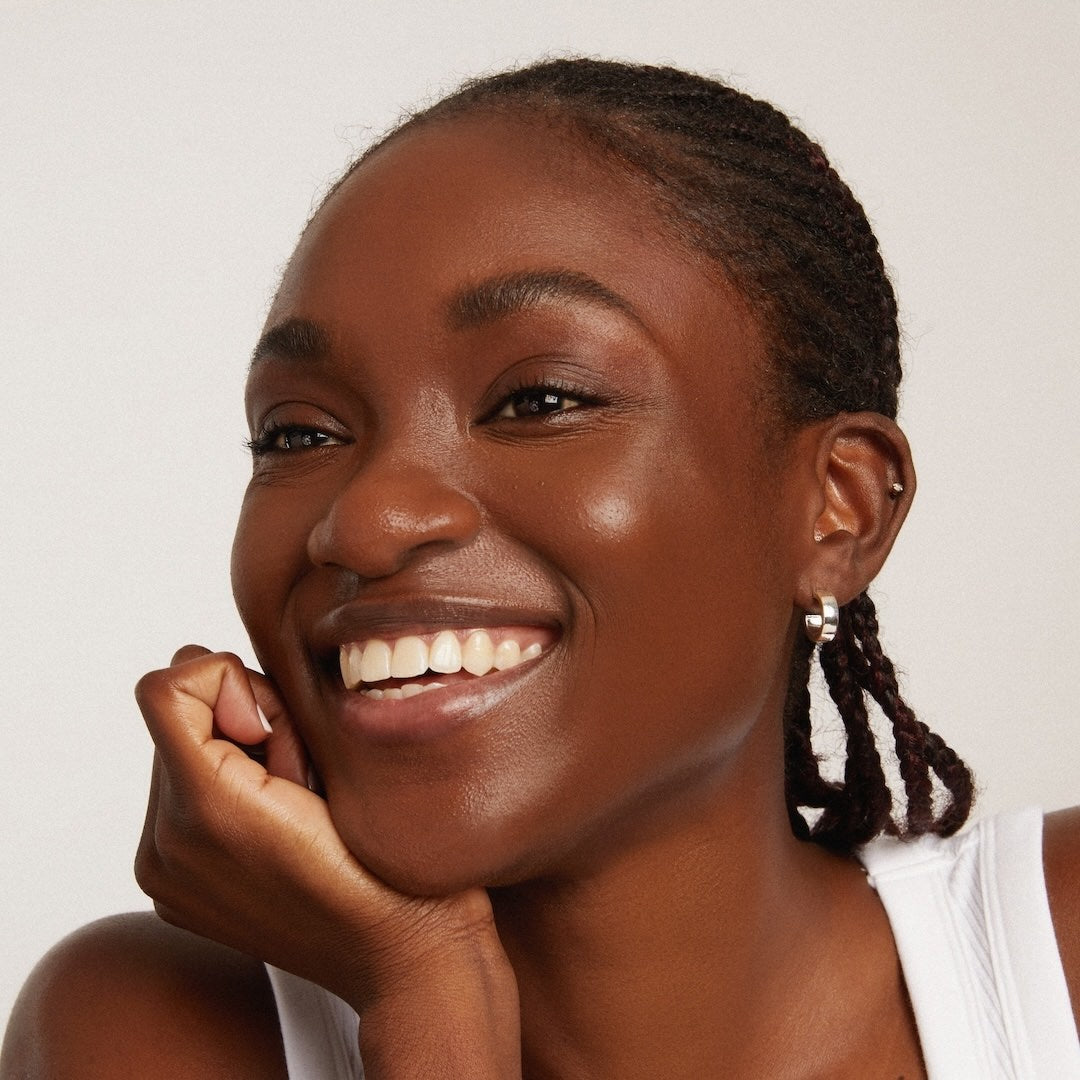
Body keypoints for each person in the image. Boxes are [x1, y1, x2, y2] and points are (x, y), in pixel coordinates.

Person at [3, 58, 1078, 1079]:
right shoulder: (141, 1033)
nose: (366, 522)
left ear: (836, 510)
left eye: (540, 401)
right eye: (297, 433)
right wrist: (425, 991)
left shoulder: (1056, 968)